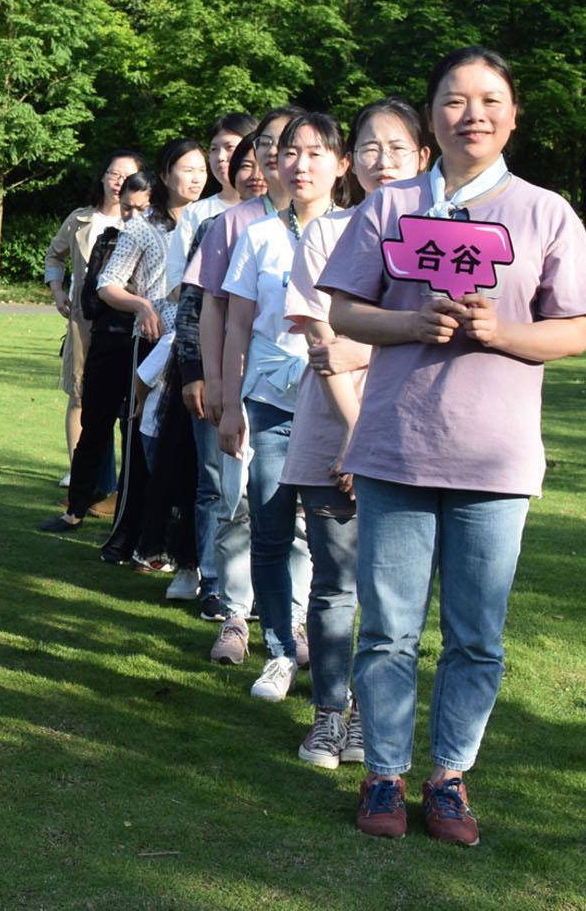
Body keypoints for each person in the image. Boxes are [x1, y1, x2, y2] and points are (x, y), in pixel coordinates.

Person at [322, 47, 586, 844]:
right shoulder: (390, 206)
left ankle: (448, 778)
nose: (472, 114)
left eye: (489, 100)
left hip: (495, 459)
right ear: (431, 116)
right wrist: (412, 323)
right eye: (454, 100)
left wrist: (501, 332)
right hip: (396, 451)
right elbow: (343, 313)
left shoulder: (546, 211)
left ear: (513, 115)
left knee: (476, 635)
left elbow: (575, 330)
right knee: (388, 629)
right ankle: (383, 773)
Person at [284, 97, 428, 769]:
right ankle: (330, 715)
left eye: (397, 147)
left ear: (423, 157)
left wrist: (362, 350)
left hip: (410, 431)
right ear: (353, 161)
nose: (382, 160)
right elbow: (322, 345)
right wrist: (352, 437)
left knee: (392, 588)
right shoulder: (326, 231)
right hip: (333, 429)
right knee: (335, 584)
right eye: (370, 147)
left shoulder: (439, 237)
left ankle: (378, 719)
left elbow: (439, 337)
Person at [220, 113, 351, 703]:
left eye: (317, 154)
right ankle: (278, 651)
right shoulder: (258, 236)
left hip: (337, 403)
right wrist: (229, 403)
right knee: (270, 530)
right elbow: (237, 326)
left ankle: (333, 665)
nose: (301, 165)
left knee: (332, 544)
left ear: (341, 165)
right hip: (270, 403)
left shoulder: (359, 235)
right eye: (292, 153)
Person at [182, 107, 306, 665]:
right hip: (246, 384)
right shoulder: (232, 224)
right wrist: (213, 379)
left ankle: (295, 620)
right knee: (237, 500)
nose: (280, 157)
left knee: (301, 510)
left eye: (291, 145)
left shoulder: (332, 223)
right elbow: (212, 309)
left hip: (312, 390)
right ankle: (235, 614)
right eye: (271, 146)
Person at [96, 141, 206, 572]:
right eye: (187, 169)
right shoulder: (146, 226)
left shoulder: (211, 218)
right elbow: (108, 282)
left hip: (197, 343)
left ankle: (175, 546)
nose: (196, 177)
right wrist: (143, 306)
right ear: (165, 174)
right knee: (147, 442)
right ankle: (135, 539)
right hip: (156, 345)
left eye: (201, 169)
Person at [169, 113, 257, 612]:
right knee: (215, 483)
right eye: (242, 163)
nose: (252, 171)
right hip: (216, 376)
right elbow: (192, 307)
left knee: (261, 490)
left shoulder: (317, 225)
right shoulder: (217, 226)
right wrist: (194, 371)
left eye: (260, 160)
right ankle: (215, 582)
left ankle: (260, 591)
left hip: (274, 381)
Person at [38, 169, 154, 542]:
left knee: (136, 427)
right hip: (107, 340)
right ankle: (76, 508)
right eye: (127, 209)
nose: (133, 218)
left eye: (142, 210)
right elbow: (91, 296)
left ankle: (130, 513)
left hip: (145, 344)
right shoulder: (106, 238)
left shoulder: (164, 240)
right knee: (93, 424)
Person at [42, 153, 138, 492]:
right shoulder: (80, 220)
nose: (118, 180)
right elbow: (54, 254)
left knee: (130, 401)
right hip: (85, 321)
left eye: (127, 174)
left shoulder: (144, 222)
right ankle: (78, 471)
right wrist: (57, 290)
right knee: (80, 395)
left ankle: (125, 481)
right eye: (113, 172)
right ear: (103, 177)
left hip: (131, 323)